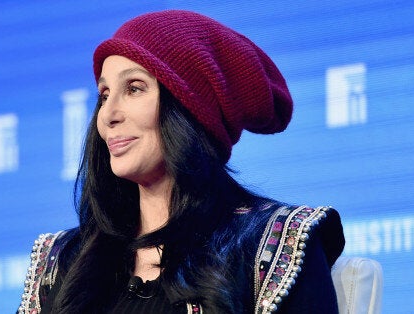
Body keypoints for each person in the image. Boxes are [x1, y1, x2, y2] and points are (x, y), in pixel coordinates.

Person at [18, 10, 344, 314]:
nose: (108, 115)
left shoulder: (271, 243)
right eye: (104, 95)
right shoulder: (63, 259)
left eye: (134, 88)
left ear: (189, 111)